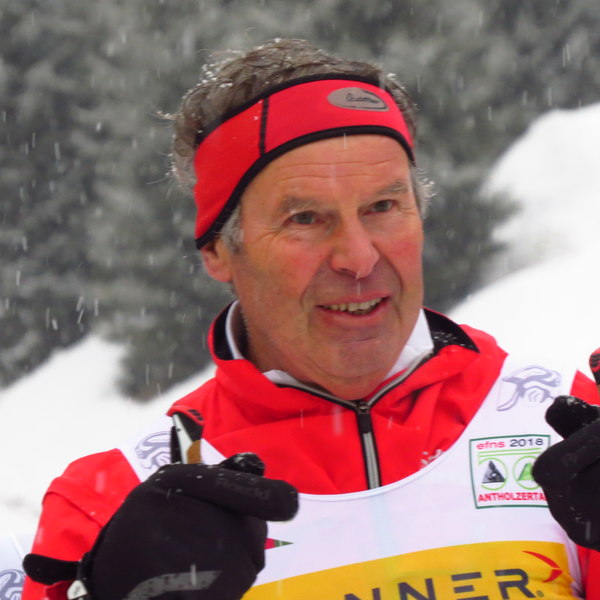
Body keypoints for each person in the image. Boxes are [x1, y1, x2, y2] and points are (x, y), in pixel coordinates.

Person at [21, 38, 600, 599]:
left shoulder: (567, 425)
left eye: (383, 207)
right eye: (305, 218)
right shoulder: (119, 504)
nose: (359, 258)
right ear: (219, 251)